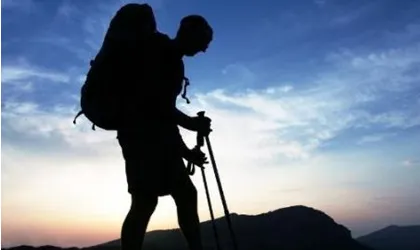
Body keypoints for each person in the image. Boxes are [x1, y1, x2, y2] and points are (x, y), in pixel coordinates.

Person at [115, 8, 214, 250]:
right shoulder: (159, 53)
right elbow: (157, 106)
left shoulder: (172, 60)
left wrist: (187, 153)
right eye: (203, 42)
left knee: (173, 197)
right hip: (141, 138)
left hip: (146, 138)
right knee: (145, 202)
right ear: (189, 33)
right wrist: (192, 124)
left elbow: (163, 117)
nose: (204, 49)